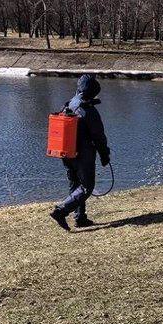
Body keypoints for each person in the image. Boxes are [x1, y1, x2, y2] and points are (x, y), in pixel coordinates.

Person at [49, 74, 111, 231]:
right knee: (87, 187)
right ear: (92, 91)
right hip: (83, 153)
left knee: (75, 183)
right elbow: (98, 136)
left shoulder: (70, 103)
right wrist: (104, 154)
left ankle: (80, 218)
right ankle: (60, 211)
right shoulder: (88, 109)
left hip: (66, 151)